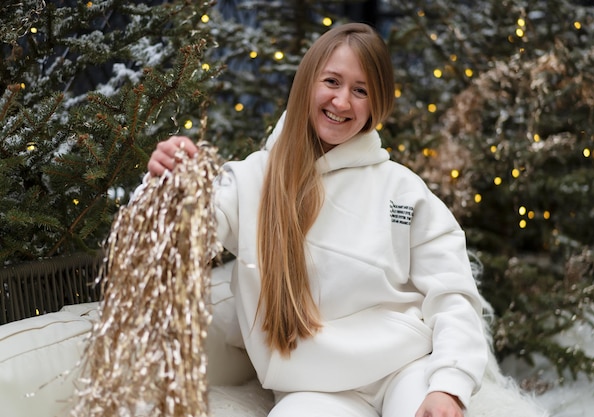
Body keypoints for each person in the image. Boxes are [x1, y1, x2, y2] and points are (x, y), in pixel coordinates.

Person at [146, 22, 488, 417]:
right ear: (307, 83)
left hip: (407, 370)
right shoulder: (250, 180)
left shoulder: (404, 190)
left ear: (376, 104)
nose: (342, 102)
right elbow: (180, 241)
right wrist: (167, 184)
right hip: (313, 391)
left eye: (360, 91)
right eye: (332, 82)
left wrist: (448, 386)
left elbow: (454, 295)